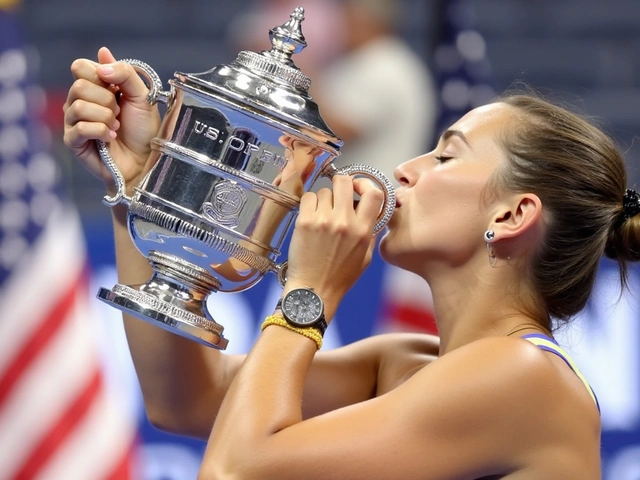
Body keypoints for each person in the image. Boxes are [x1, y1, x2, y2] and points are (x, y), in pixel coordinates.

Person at [63, 46, 640, 478]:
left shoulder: (526, 377)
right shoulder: (404, 363)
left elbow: (234, 470)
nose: (407, 168)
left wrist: (308, 293)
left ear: (514, 215)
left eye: (445, 154)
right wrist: (141, 190)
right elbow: (182, 399)